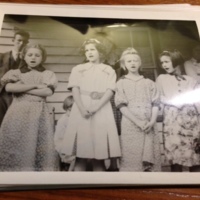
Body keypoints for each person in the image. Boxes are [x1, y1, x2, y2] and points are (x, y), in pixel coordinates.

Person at [60, 38, 121, 171]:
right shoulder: (79, 69)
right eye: (87, 50)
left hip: (102, 108)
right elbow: (75, 88)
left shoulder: (108, 70)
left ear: (101, 52)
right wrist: (82, 108)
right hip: (82, 107)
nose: (89, 52)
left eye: (92, 49)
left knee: (99, 156)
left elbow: (110, 91)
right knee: (81, 155)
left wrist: (96, 107)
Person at [0, 43, 58, 171]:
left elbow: (48, 92)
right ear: (24, 57)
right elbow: (10, 88)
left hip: (39, 113)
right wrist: (36, 86)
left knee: (37, 144)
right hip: (18, 112)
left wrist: (22, 88)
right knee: (16, 142)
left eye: (37, 55)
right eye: (30, 55)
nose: (33, 58)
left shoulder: (47, 74)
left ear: (42, 58)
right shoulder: (15, 73)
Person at [115, 48, 161, 172]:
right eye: (129, 61)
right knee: (132, 156)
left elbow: (156, 103)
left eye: (135, 60)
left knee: (150, 155)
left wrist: (152, 122)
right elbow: (121, 106)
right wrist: (138, 122)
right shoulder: (121, 83)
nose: (133, 63)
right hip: (131, 123)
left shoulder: (149, 82)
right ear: (124, 64)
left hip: (148, 123)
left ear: (140, 63)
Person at [156, 50, 200, 172]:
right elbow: (159, 97)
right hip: (172, 121)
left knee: (194, 154)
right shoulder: (161, 79)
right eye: (162, 62)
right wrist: (174, 102)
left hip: (190, 120)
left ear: (175, 61)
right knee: (174, 154)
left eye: (167, 61)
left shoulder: (191, 80)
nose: (164, 65)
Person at [0, 29, 30, 126]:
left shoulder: (29, 60)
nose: (21, 43)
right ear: (13, 40)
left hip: (20, 96)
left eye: (24, 41)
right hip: (2, 95)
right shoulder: (1, 57)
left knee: (17, 124)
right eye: (19, 40)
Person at [54, 95, 76, 171]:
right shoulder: (63, 120)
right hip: (64, 150)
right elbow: (59, 140)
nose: (70, 113)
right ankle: (70, 174)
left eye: (73, 111)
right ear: (66, 109)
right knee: (78, 158)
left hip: (74, 148)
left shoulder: (75, 120)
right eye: (69, 110)